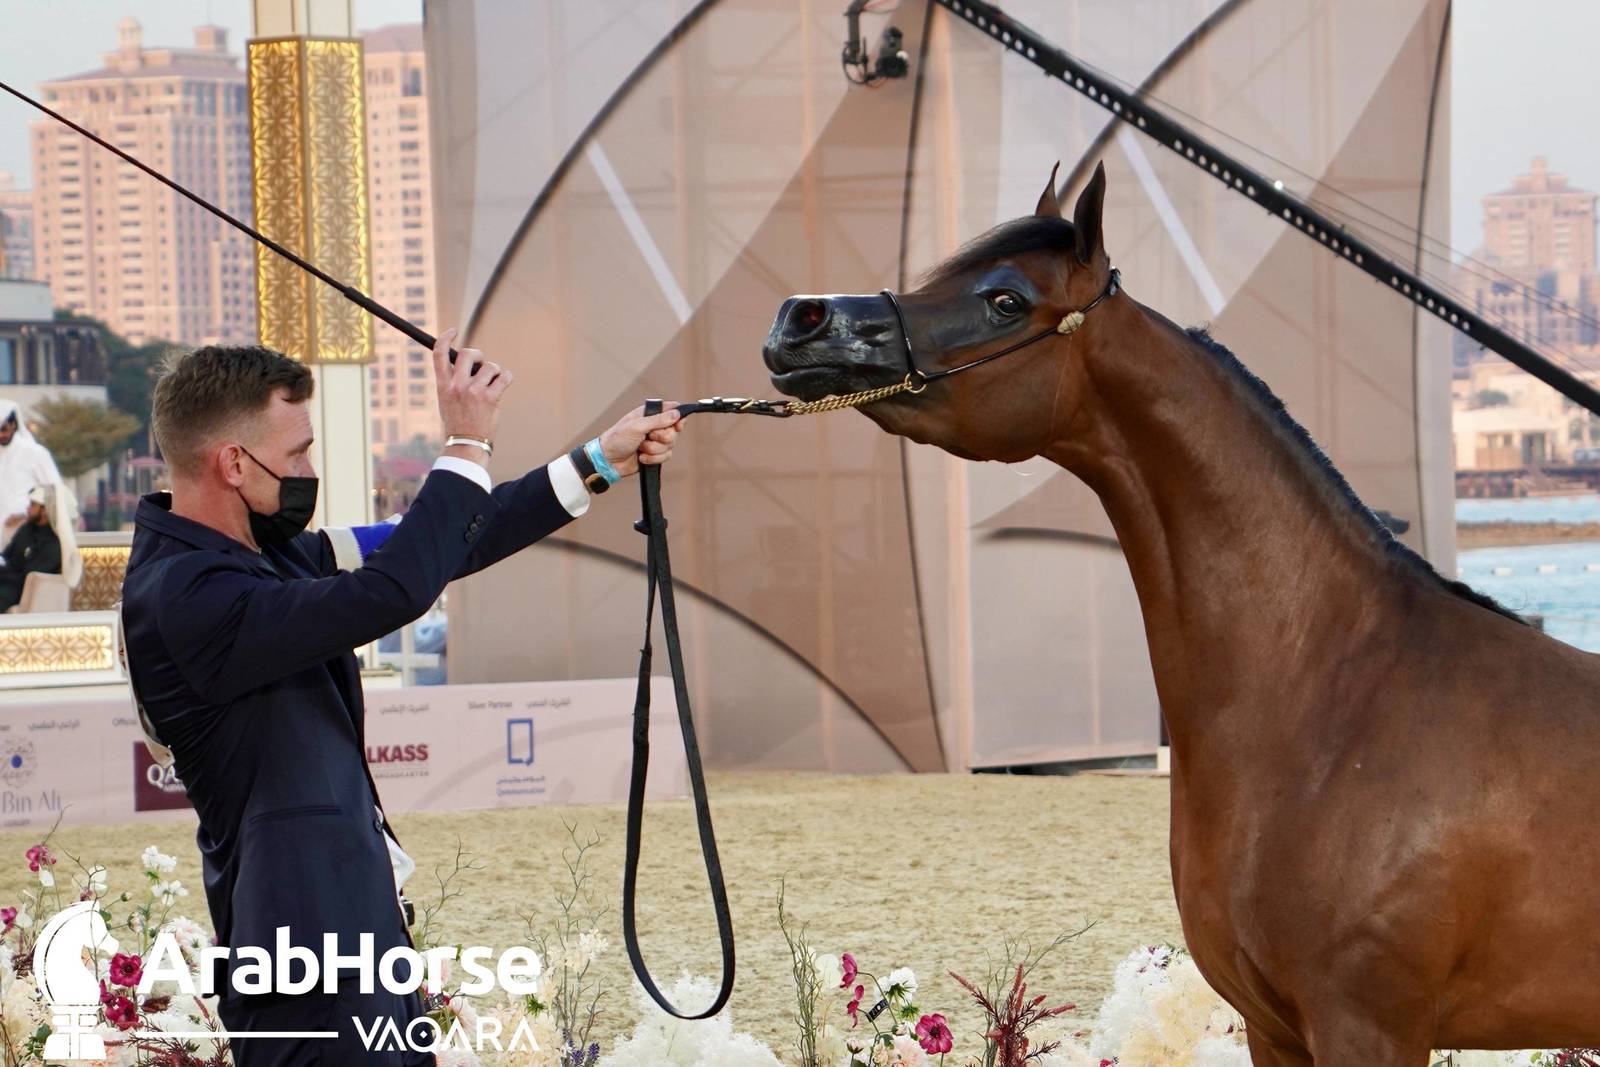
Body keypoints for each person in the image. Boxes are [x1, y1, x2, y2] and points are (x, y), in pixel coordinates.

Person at [120, 330, 682, 1066]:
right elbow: (396, 589)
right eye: (296, 455)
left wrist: (601, 458)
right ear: (232, 462)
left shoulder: (266, 554)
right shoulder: (188, 593)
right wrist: (466, 442)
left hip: (348, 917)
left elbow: (441, 543)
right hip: (301, 943)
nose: (307, 471)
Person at [0, 483, 72, 611]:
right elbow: (7, 555)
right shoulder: (26, 529)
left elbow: (28, 574)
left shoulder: (54, 543)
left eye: (33, 505)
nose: (28, 509)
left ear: (45, 510)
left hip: (16, 590)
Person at [0, 400, 65, 538]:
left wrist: (25, 513)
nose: (1, 435)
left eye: (4, 429)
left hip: (26, 533)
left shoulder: (35, 453)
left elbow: (53, 491)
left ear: (14, 425)